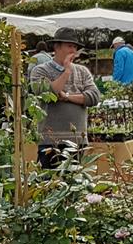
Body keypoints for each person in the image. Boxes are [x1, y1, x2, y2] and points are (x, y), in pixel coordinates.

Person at [28, 28, 100, 167]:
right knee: (49, 183)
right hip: (51, 141)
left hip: (77, 140)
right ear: (57, 47)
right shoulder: (40, 70)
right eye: (69, 46)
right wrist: (66, 71)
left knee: (74, 183)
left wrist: (67, 97)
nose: (73, 50)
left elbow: (94, 97)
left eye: (75, 47)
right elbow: (50, 94)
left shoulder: (82, 71)